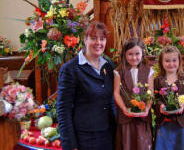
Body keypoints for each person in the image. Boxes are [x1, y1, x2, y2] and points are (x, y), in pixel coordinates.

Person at [57, 21, 116, 150]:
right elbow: (63, 109)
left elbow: (111, 99)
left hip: (108, 134)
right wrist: (70, 144)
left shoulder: (109, 66)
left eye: (102, 39)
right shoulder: (70, 69)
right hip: (84, 137)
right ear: (85, 40)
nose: (98, 43)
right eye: (93, 38)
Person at [113, 37, 153, 150]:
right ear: (124, 54)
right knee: (126, 143)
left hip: (143, 117)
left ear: (142, 53)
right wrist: (124, 108)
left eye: (137, 54)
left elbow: (150, 93)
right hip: (126, 117)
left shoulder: (148, 70)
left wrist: (147, 109)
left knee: (143, 144)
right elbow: (116, 92)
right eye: (130, 54)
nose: (134, 57)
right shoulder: (119, 71)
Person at [154, 46, 184, 150]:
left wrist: (183, 105)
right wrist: (160, 105)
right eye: (167, 61)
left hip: (181, 124)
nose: (171, 64)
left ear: (179, 61)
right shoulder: (158, 80)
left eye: (174, 60)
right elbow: (155, 98)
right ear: (161, 62)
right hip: (164, 124)